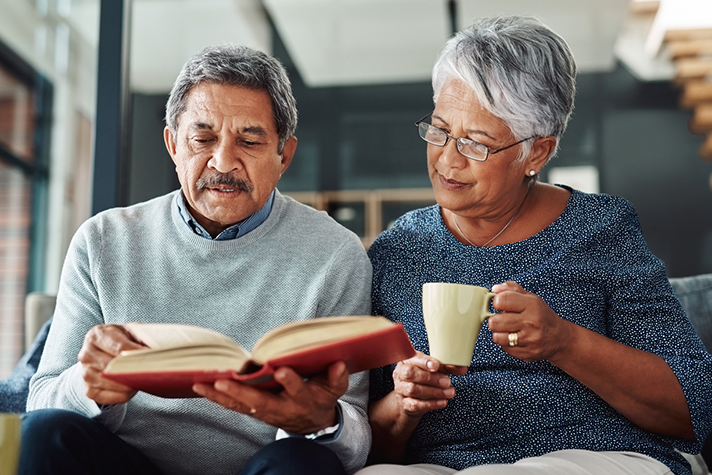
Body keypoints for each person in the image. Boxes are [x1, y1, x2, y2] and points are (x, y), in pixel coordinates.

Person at [358, 15, 712, 475]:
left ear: (537, 153)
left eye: (476, 144)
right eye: (440, 130)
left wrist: (565, 342)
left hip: (597, 456)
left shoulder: (601, 229)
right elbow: (365, 444)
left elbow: (692, 408)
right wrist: (404, 404)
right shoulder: (397, 250)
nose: (446, 159)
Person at [20, 44, 372, 475]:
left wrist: (321, 421)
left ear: (284, 155)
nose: (223, 162)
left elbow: (356, 441)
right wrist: (89, 386)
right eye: (202, 139)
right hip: (126, 464)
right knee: (41, 434)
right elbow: (41, 403)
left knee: (305, 463)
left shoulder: (335, 252)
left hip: (263, 467)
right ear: (172, 144)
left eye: (249, 140)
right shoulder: (102, 240)